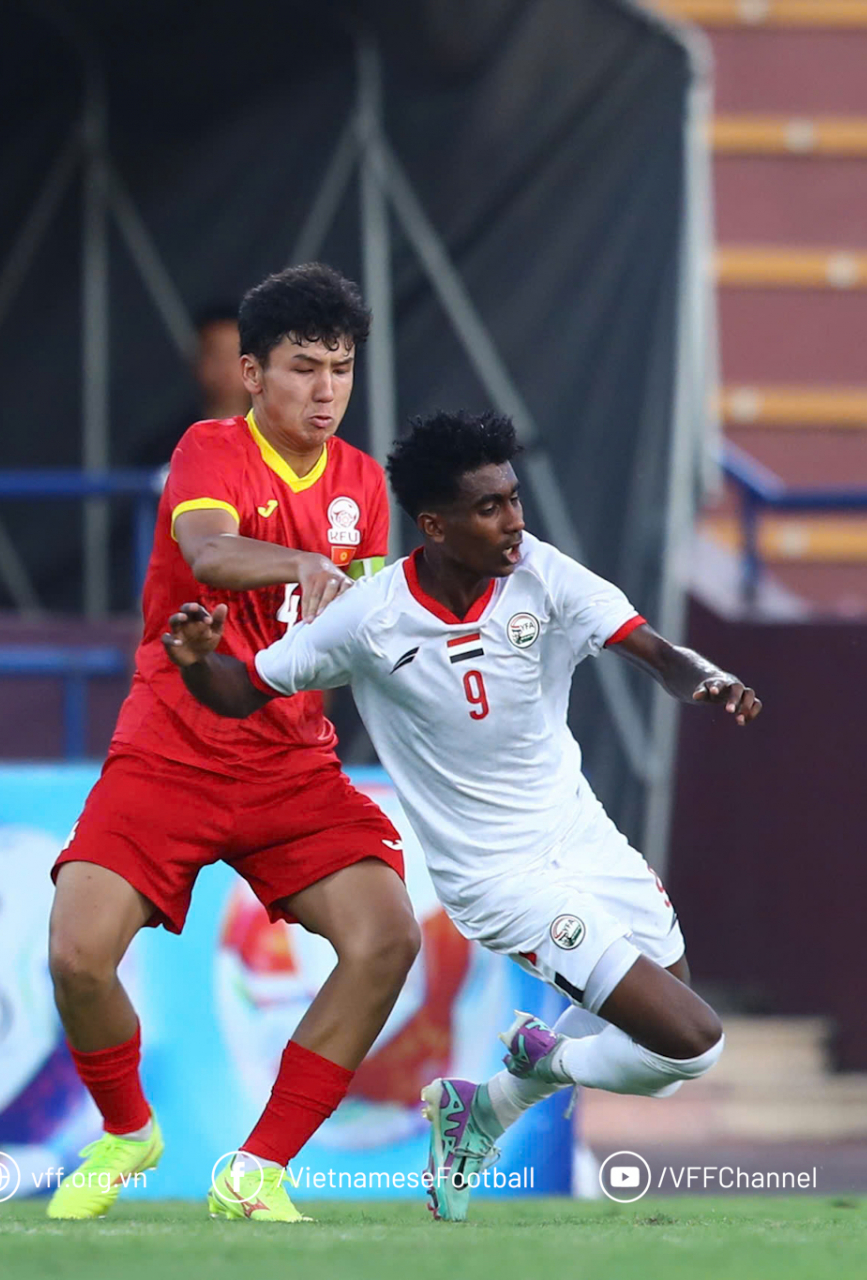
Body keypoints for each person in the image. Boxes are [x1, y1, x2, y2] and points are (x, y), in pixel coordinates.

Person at [162, 409, 762, 1223]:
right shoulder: (370, 616)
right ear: (435, 525)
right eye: (489, 508)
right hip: (499, 880)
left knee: (663, 1056)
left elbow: (654, 650)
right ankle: (530, 1072)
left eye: (514, 499)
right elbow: (241, 692)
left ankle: (496, 1097)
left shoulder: (544, 575)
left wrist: (708, 679)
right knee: (696, 1039)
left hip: (584, 840)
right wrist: (200, 662)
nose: (513, 522)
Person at [45, 263, 414, 1225]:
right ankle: (129, 1132)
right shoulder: (212, 448)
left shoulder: (364, 483)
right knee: (78, 958)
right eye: (302, 367)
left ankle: (256, 1171)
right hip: (171, 747)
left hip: (290, 762)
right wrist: (302, 562)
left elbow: (361, 634)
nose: (325, 389)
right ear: (252, 374)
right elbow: (207, 552)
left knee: (387, 937)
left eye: (341, 368)